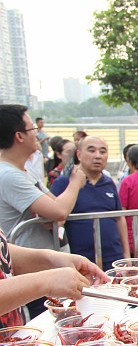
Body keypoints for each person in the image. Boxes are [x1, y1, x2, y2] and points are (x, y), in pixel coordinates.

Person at [0, 105, 86, 252]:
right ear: (19, 136)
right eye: (32, 128)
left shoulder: (25, 171)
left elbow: (56, 208)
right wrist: (76, 182)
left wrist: (53, 216)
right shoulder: (8, 176)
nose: (37, 134)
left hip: (48, 257)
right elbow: (60, 210)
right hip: (32, 261)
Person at [51, 136, 130, 270]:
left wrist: (126, 254)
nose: (98, 156)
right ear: (79, 154)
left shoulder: (109, 183)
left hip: (113, 258)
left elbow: (119, 218)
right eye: (91, 150)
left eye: (102, 151)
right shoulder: (64, 182)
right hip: (79, 261)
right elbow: (53, 218)